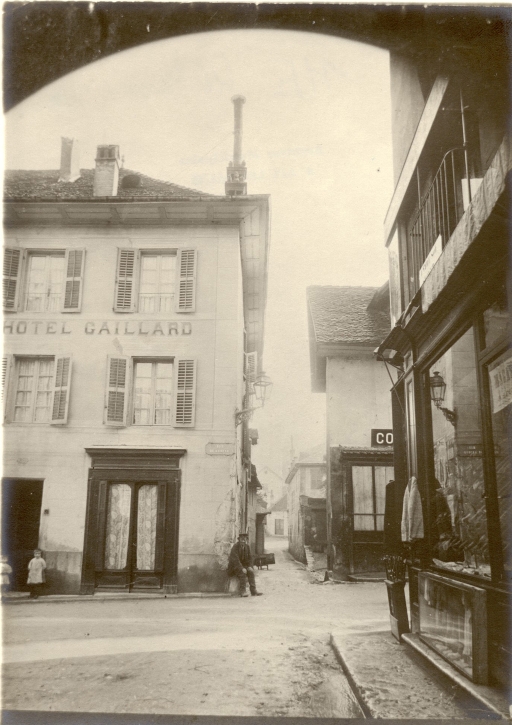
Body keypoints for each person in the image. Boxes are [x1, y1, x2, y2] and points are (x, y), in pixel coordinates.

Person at [227, 532, 262, 597]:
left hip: (243, 566)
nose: (243, 541)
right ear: (239, 539)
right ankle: (242, 591)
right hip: (234, 567)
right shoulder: (235, 547)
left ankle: (253, 591)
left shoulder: (247, 547)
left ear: (246, 540)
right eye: (241, 539)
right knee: (242, 573)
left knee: (251, 572)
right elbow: (235, 560)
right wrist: (242, 568)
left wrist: (250, 566)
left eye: (244, 539)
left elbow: (250, 558)